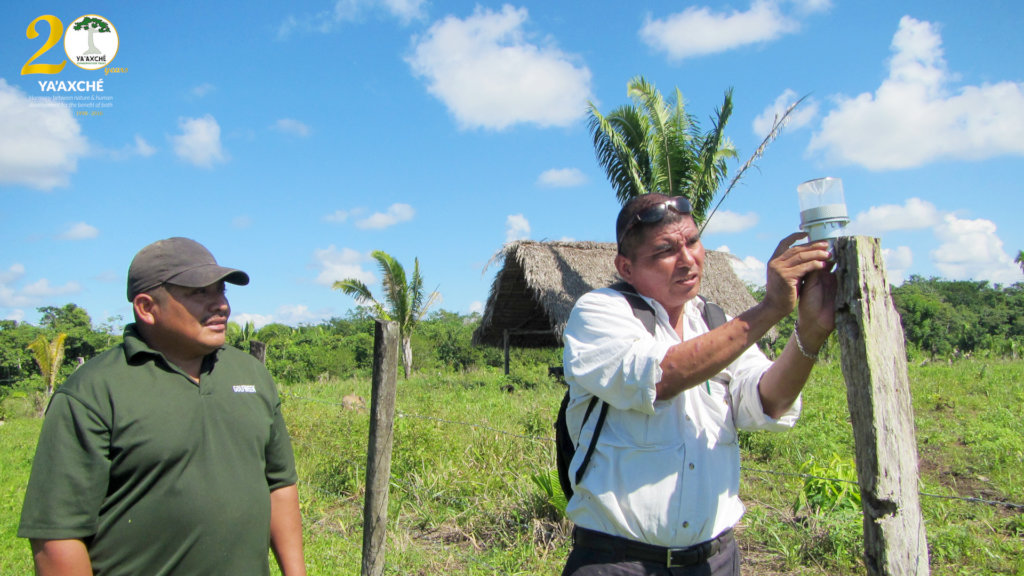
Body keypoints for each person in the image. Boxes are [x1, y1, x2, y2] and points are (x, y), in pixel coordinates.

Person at [561, 194, 836, 575]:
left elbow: (769, 402)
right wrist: (770, 308)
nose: (688, 259)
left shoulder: (715, 321)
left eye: (692, 241)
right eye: (665, 250)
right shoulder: (600, 311)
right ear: (626, 267)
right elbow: (661, 376)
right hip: (618, 562)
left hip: (714, 561)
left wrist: (811, 332)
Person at [18, 237, 306, 576]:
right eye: (199, 293)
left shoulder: (250, 375)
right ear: (146, 307)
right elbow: (57, 537)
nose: (221, 305)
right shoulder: (93, 392)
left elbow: (279, 485)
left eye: (221, 291)